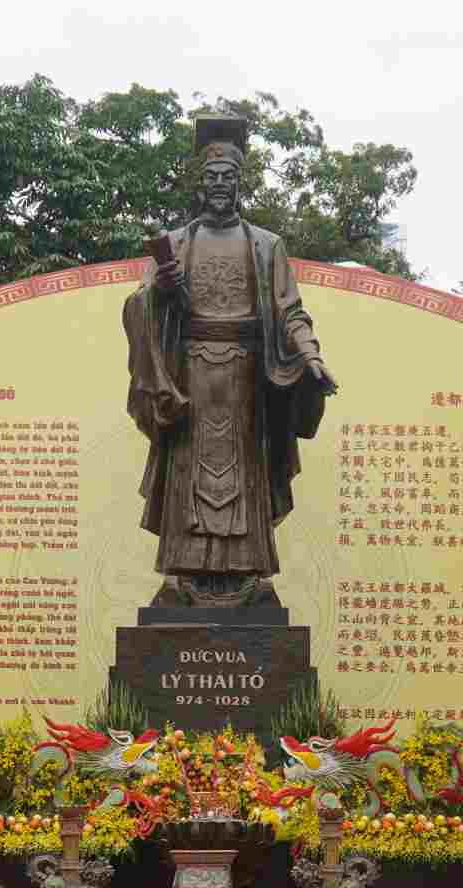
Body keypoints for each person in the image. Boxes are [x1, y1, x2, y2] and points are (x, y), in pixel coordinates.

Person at [122, 112, 338, 611]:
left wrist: (309, 355)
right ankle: (182, 574)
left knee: (245, 471)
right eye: (212, 178)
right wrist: (159, 289)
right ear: (202, 185)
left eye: (229, 178)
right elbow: (136, 306)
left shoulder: (266, 245)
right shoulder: (176, 243)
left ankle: (248, 574)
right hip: (190, 376)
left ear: (240, 184)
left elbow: (290, 311)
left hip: (246, 375)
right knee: (188, 470)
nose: (221, 186)